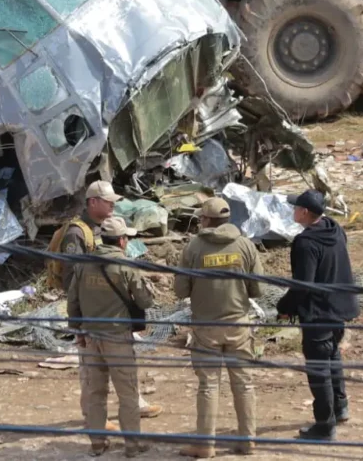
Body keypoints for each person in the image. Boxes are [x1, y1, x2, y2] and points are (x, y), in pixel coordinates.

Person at [49, 181, 163, 431]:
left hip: (111, 312)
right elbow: (72, 280)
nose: (113, 204)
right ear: (92, 202)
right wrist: (81, 317)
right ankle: (94, 418)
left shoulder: (102, 229)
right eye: (108, 201)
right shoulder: (77, 233)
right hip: (92, 313)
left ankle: (133, 405)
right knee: (91, 371)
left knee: (119, 365)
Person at [174, 198, 263, 458]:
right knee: (244, 384)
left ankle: (205, 445)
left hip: (205, 328)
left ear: (206, 220)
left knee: (209, 386)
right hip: (239, 325)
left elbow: (180, 289)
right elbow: (257, 288)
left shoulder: (194, 247)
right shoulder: (245, 245)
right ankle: (247, 441)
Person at [277, 190, 359, 442]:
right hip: (339, 308)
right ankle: (341, 408)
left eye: (295, 208)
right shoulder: (334, 229)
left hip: (318, 313)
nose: (292, 211)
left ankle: (324, 426)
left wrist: (284, 307)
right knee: (332, 357)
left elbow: (304, 285)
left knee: (318, 369)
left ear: (303, 212)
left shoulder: (305, 243)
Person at [68, 216, 153, 458]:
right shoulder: (126, 265)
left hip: (91, 338)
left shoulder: (83, 264)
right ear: (122, 240)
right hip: (118, 338)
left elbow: (72, 302)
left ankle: (97, 443)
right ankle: (132, 445)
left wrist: (78, 331)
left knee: (95, 393)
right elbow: (145, 300)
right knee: (127, 393)